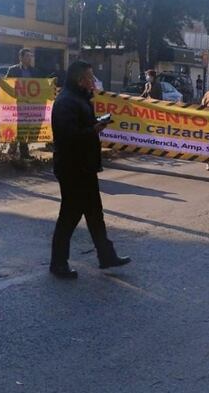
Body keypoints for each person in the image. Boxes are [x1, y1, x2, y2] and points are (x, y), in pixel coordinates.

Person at [49, 60, 131, 279]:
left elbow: (81, 126)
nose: (93, 81)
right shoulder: (66, 101)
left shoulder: (80, 99)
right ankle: (58, 263)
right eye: (90, 77)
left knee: (95, 214)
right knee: (69, 216)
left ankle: (106, 256)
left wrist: (95, 124)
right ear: (79, 79)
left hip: (85, 167)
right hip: (72, 168)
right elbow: (68, 136)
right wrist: (94, 128)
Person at [7, 49, 40, 159]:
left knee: (25, 127)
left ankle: (22, 153)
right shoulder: (13, 70)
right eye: (27, 56)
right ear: (20, 58)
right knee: (17, 127)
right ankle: (13, 151)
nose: (30, 59)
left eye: (31, 56)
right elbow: (7, 84)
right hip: (16, 104)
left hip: (29, 105)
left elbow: (41, 86)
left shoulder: (34, 71)